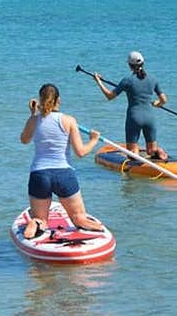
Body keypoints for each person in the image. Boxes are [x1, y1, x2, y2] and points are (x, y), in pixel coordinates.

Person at [20, 83, 104, 239]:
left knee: (42, 219)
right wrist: (94, 140)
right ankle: (83, 222)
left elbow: (24, 140)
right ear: (59, 100)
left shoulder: (34, 120)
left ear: (40, 99)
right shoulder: (69, 120)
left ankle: (36, 223)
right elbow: (80, 152)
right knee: (78, 216)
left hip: (39, 175)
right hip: (64, 174)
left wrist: (32, 115)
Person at [94, 51, 168, 160]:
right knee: (151, 151)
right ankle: (158, 151)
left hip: (134, 117)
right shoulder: (153, 79)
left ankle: (135, 153)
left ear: (130, 65)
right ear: (143, 63)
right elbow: (164, 100)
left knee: (131, 153)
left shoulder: (127, 80)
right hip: (150, 117)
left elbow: (110, 96)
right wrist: (157, 104)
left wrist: (98, 81)